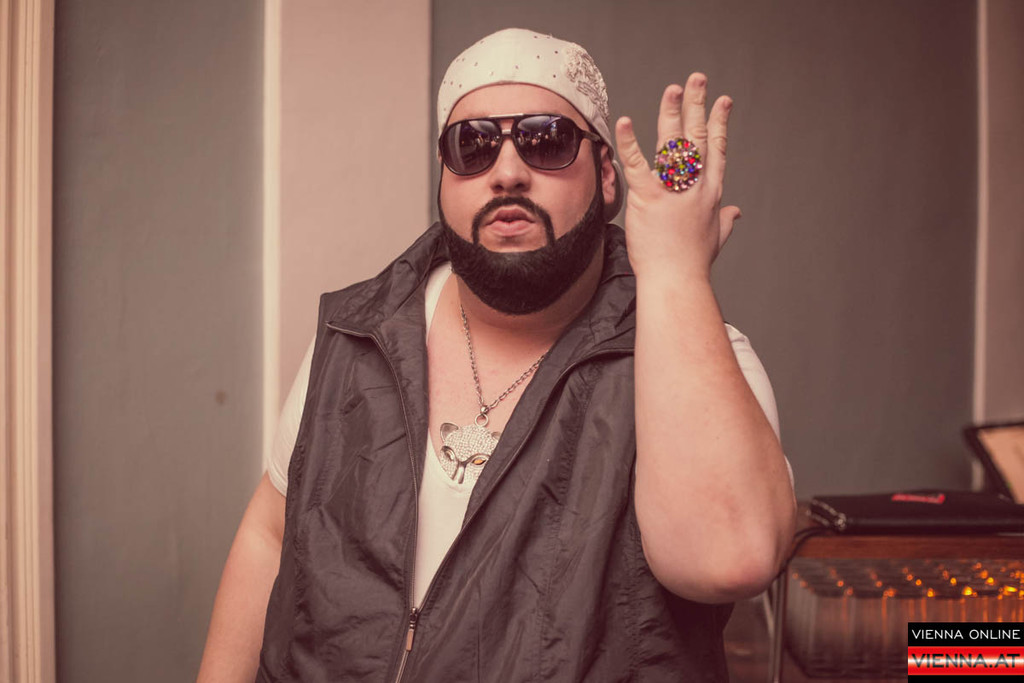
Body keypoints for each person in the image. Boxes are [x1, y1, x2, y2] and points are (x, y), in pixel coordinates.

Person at [198, 27, 796, 683]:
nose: (507, 171)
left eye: (547, 141)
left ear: (606, 177)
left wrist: (676, 273)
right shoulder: (355, 334)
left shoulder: (699, 358)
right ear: (445, 178)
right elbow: (271, 533)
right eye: (473, 146)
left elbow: (727, 559)